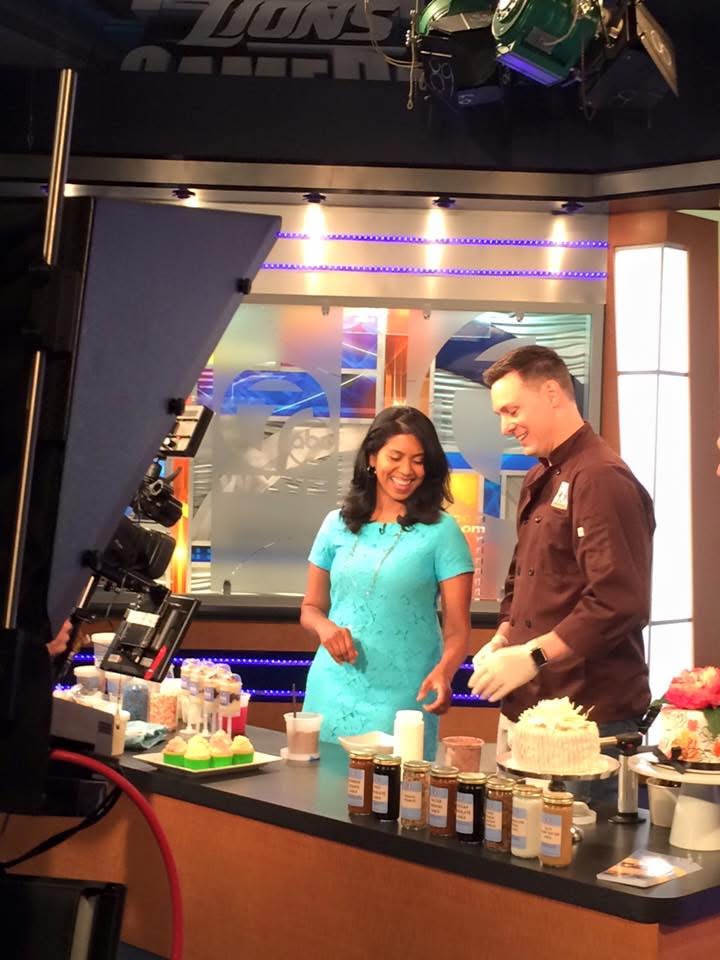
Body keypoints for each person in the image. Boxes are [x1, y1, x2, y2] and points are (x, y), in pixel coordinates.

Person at [468, 346, 656, 776]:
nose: (505, 426)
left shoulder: (601, 478)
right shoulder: (541, 475)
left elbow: (618, 601)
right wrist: (503, 638)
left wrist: (532, 656)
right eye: (501, 414)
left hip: (587, 718)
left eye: (512, 410)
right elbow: (522, 576)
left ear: (552, 393)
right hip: (528, 710)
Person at [301, 406, 474, 759]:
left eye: (418, 461)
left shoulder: (442, 533)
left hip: (403, 697)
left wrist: (445, 672)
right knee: (320, 789)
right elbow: (310, 608)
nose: (406, 470)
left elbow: (458, 629)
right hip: (330, 689)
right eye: (395, 457)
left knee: (392, 789)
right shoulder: (335, 524)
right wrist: (325, 629)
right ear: (372, 458)